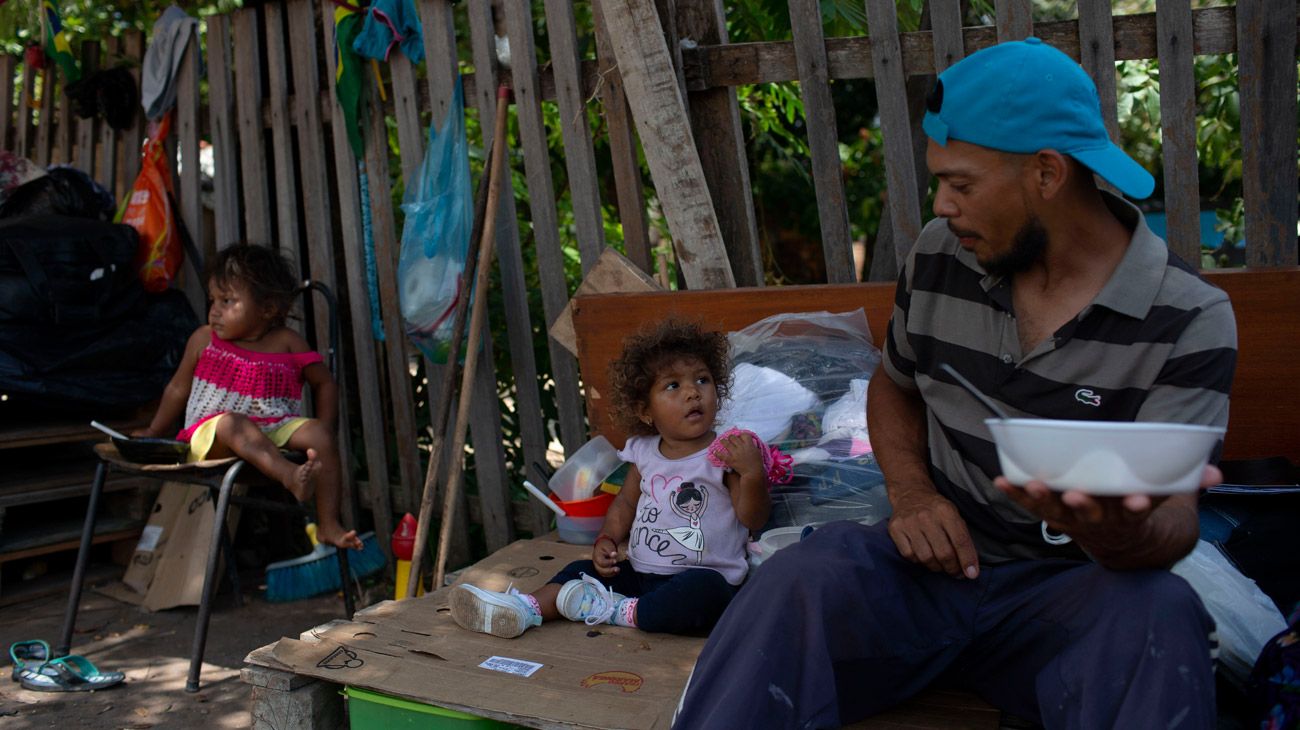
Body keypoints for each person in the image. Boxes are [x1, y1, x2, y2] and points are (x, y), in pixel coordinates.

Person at [674, 38, 1236, 729]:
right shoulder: (942, 259)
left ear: (1048, 174)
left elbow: (1175, 521)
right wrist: (910, 496)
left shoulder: (1188, 317)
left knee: (1160, 614)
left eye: (962, 184)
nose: (942, 205)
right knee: (799, 581)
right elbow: (893, 385)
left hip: (1073, 594)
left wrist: (1119, 535)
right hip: (929, 573)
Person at [450, 319, 773, 637]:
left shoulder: (726, 451)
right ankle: (525, 609)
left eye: (702, 380)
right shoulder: (643, 452)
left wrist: (752, 472)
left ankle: (616, 611)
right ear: (645, 410)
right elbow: (625, 503)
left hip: (702, 580)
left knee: (704, 592)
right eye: (673, 385)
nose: (692, 392)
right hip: (640, 575)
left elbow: (752, 518)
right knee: (579, 572)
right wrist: (606, 539)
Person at [134, 243, 362, 550]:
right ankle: (289, 476)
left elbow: (325, 383)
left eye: (227, 300)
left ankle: (329, 524)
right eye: (213, 299)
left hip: (274, 427)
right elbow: (177, 388)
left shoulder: (287, 343)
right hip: (212, 435)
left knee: (320, 433)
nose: (214, 309)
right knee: (233, 423)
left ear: (267, 308)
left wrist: (324, 434)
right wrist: (153, 432)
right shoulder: (204, 339)